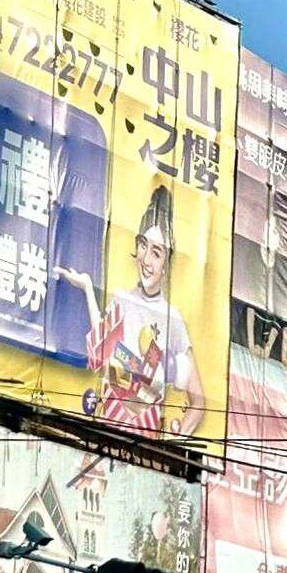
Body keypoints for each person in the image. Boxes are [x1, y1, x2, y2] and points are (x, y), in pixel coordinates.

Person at [54, 184, 204, 438]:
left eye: (156, 253)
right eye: (143, 245)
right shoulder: (122, 300)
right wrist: (88, 288)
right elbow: (101, 352)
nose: (146, 260)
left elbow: (198, 402)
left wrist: (173, 441)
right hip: (109, 424)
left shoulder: (174, 320)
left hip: (145, 437)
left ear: (166, 264)